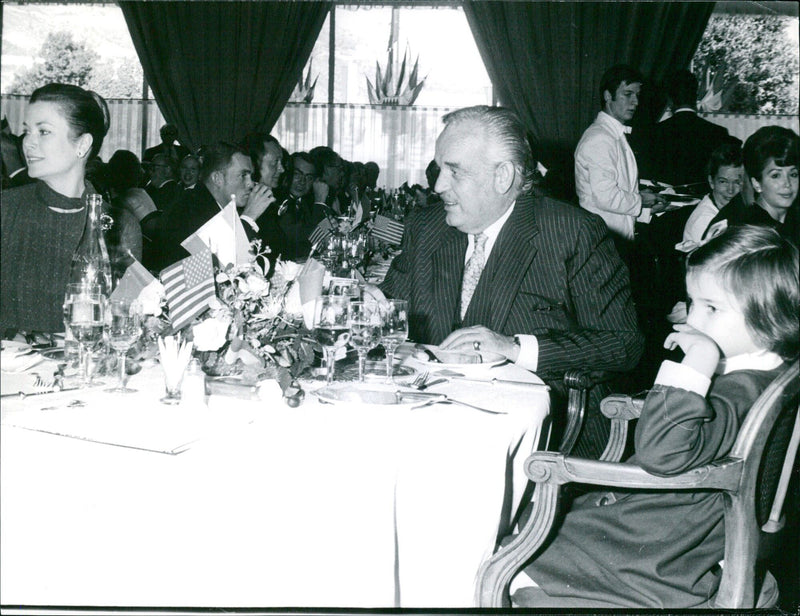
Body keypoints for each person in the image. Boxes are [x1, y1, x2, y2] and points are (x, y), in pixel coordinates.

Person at [511, 225, 799, 608]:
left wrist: (698, 361)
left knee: (498, 545)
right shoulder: (767, 373)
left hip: (653, 553)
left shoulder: (739, 390)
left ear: (769, 318)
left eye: (712, 308)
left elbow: (661, 456)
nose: (693, 319)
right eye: (692, 302)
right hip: (671, 529)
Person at [380, 105, 644, 457]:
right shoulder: (427, 227)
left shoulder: (571, 232)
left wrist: (515, 349)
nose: (438, 185)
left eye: (454, 171)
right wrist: (371, 306)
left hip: (543, 438)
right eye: (439, 168)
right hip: (430, 423)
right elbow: (388, 310)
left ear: (503, 176)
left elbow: (624, 345)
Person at [1, 83, 111, 335]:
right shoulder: (6, 210)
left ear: (82, 145)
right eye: (27, 131)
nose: (28, 143)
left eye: (44, 132)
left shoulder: (115, 225)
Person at [574, 64, 667, 259]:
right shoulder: (600, 138)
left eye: (637, 95)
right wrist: (641, 201)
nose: (635, 102)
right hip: (602, 245)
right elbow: (605, 197)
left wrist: (645, 209)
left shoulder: (613, 134)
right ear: (608, 96)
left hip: (614, 242)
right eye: (627, 94)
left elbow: (616, 196)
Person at [152, 141, 282, 270]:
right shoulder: (188, 209)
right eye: (243, 175)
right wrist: (249, 218)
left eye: (250, 176)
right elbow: (225, 268)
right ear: (217, 178)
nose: (250, 183)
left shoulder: (216, 204)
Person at [648, 69, 739, 191]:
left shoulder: (654, 133)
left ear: (669, 99)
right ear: (695, 96)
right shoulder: (718, 133)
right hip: (705, 205)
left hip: (665, 205)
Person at [707, 126, 799, 246]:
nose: (787, 184)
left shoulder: (792, 218)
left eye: (793, 174)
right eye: (776, 175)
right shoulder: (750, 231)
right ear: (756, 183)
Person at [682, 141, 744, 246]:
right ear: (711, 182)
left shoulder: (729, 209)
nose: (730, 190)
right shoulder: (705, 221)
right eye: (723, 182)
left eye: (737, 182)